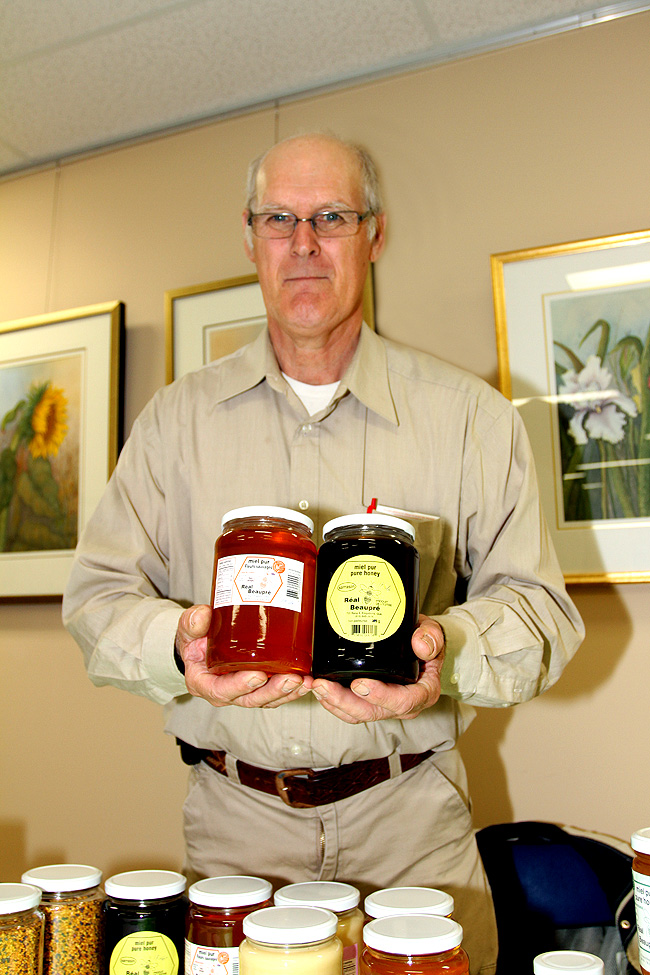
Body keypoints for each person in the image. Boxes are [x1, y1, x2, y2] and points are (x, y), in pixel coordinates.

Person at [62, 132, 584, 975]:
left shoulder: (469, 418)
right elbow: (94, 601)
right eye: (280, 218)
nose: (303, 244)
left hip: (413, 829)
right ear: (249, 236)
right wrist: (177, 642)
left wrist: (447, 652)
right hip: (234, 835)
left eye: (330, 217)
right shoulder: (173, 423)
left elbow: (544, 615)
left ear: (372, 233)